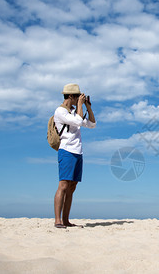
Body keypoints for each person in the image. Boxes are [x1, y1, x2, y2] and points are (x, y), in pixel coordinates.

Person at [53, 83, 96, 228]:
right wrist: (80, 105)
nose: (79, 98)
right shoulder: (60, 111)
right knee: (63, 185)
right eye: (77, 96)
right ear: (71, 96)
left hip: (78, 152)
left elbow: (92, 124)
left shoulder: (73, 112)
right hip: (66, 151)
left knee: (72, 187)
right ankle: (58, 220)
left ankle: (66, 220)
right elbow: (78, 121)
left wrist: (87, 107)